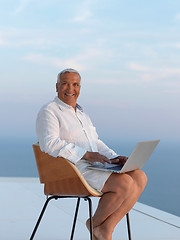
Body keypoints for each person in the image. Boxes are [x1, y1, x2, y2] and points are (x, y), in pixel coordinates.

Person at [36, 68, 147, 240]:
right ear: (57, 86)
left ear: (80, 88)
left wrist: (114, 158)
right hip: (72, 171)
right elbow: (49, 143)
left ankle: (104, 228)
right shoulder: (49, 111)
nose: (70, 89)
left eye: (75, 84)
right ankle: (97, 226)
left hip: (92, 167)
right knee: (124, 182)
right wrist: (85, 154)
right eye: (65, 83)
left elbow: (96, 142)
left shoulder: (82, 114)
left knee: (139, 176)